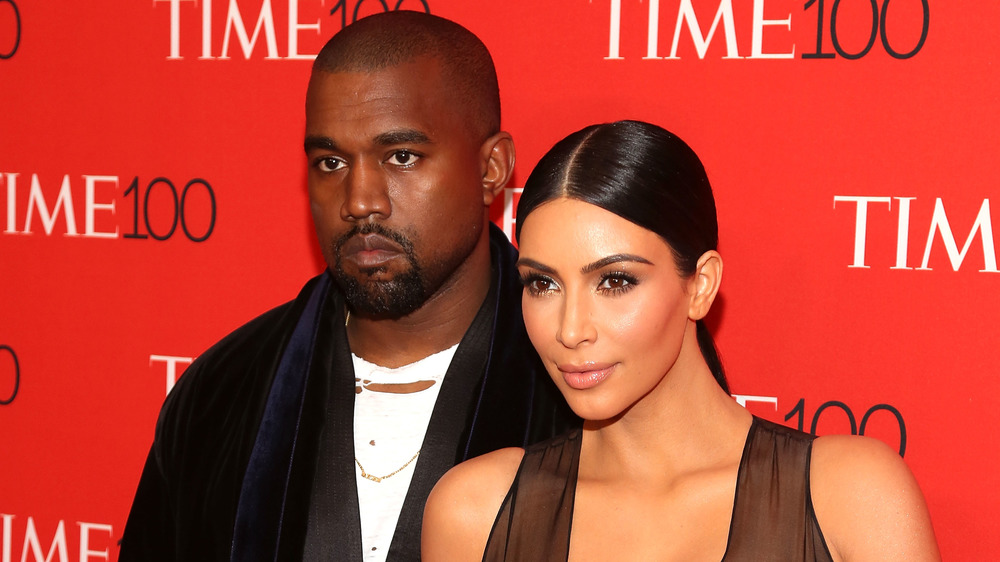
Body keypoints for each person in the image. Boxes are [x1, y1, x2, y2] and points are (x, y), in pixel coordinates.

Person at [119, 11, 576, 562]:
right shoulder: (223, 394)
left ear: (492, 169)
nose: (360, 200)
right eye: (331, 161)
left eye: (401, 157)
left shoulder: (581, 389)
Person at [422, 120, 941, 561]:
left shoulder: (849, 497)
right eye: (543, 284)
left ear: (702, 285)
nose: (570, 329)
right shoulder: (475, 514)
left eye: (616, 281)